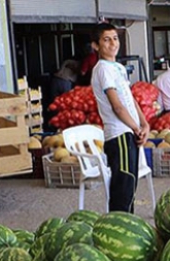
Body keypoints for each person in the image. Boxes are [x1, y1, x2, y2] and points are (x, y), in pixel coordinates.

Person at [90, 23, 149, 213]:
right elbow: (117, 106)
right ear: (96, 46)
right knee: (122, 192)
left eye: (115, 38)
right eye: (106, 39)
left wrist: (144, 123)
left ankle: (127, 231)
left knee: (129, 188)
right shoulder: (103, 69)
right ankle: (116, 232)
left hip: (128, 133)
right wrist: (135, 128)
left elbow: (129, 99)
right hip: (119, 136)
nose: (112, 43)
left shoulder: (118, 68)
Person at [46, 59, 79, 132]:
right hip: (65, 82)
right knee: (66, 105)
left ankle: (54, 126)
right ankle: (62, 127)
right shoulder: (77, 63)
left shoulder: (67, 61)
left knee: (54, 103)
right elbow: (83, 72)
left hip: (56, 80)